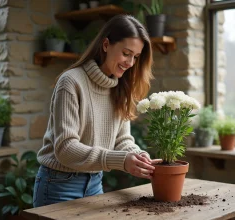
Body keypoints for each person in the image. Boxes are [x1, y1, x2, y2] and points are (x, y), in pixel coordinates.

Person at [33, 14, 162, 208]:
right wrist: (120, 160)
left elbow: (122, 140)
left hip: (94, 184)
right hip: (58, 186)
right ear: (106, 45)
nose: (130, 63)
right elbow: (65, 149)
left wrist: (136, 156)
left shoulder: (122, 88)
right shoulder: (71, 82)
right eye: (126, 53)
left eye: (135, 57)